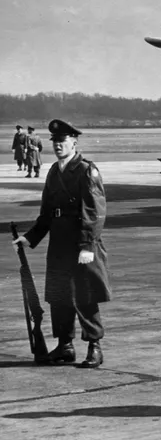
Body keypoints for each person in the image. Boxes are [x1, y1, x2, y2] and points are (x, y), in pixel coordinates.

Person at [11, 119, 111, 368]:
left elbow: (95, 212)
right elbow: (46, 214)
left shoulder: (87, 170)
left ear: (73, 142)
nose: (57, 146)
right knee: (59, 297)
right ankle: (65, 346)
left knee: (84, 296)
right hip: (58, 246)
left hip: (81, 246)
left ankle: (94, 347)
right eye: (55, 142)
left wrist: (87, 245)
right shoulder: (54, 172)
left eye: (62, 141)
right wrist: (30, 237)